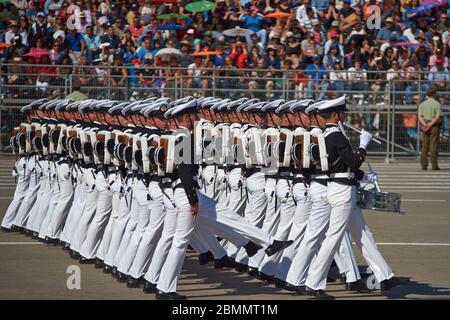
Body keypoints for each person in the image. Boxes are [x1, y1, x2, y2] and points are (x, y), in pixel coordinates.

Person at [418, 86, 442, 170]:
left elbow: (420, 116)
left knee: (424, 146)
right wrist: (431, 124)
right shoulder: (437, 104)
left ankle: (424, 165)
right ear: (434, 94)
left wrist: (425, 124)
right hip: (434, 126)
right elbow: (437, 116)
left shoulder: (422, 104)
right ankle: (434, 166)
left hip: (425, 125)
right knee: (433, 146)